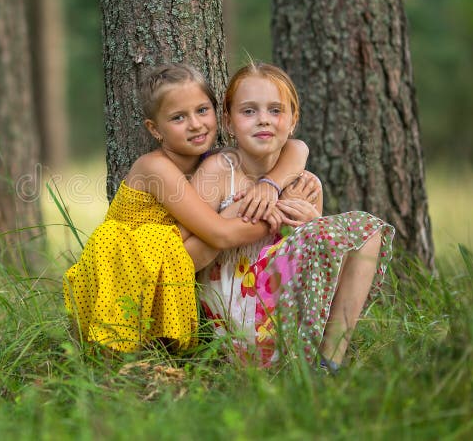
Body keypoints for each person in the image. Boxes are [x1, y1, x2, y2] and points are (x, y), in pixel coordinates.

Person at [63, 63, 308, 353]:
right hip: (126, 269)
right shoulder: (156, 168)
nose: (195, 124)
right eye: (179, 117)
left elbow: (298, 148)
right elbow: (219, 235)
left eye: (202, 110)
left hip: (166, 264)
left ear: (218, 113)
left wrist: (270, 185)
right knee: (211, 236)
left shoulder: (215, 161)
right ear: (155, 129)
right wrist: (278, 213)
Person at [191, 62, 395, 370]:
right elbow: (187, 258)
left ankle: (326, 364)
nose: (263, 120)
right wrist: (245, 212)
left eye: (275, 110)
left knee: (368, 230)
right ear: (228, 121)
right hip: (237, 318)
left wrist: (312, 222)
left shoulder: (305, 183)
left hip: (289, 316)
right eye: (249, 111)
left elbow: (320, 264)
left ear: (293, 120)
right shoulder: (220, 171)